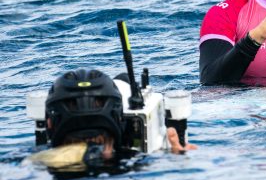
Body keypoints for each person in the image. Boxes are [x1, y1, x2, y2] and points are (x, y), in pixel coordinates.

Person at [33, 68, 195, 170]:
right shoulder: (138, 165)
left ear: (49, 123)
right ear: (119, 119)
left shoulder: (35, 165)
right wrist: (178, 157)